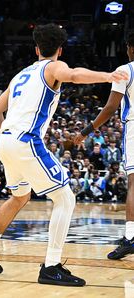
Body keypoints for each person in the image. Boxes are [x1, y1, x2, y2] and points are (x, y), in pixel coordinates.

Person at [0, 23, 128, 286]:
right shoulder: (53, 67)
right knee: (65, 198)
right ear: (59, 49)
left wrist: (8, 136)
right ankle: (51, 266)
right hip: (25, 141)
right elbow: (75, 75)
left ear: (36, 48)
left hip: (5, 140)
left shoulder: (20, 75)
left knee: (20, 196)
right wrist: (108, 76)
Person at [74, 31, 134, 260]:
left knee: (133, 183)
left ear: (130, 47)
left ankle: (131, 237)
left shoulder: (126, 70)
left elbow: (109, 108)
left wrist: (86, 131)